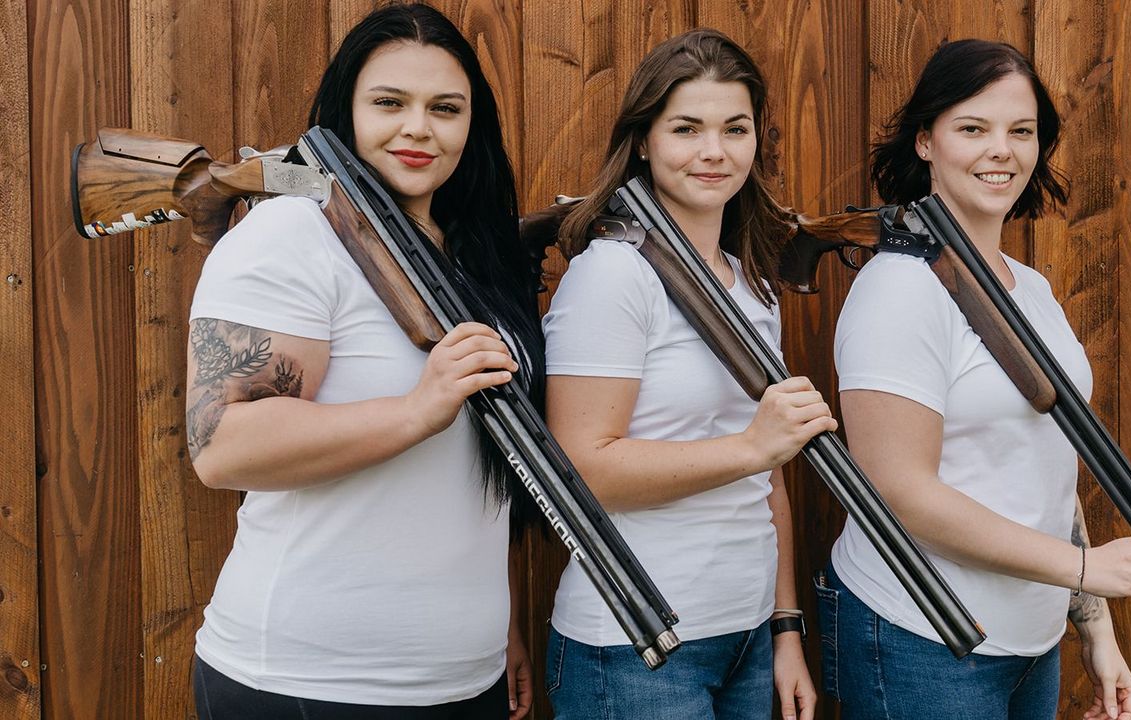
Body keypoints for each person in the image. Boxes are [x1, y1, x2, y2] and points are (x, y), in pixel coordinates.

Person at [818, 39, 1131, 720]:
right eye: (972, 128)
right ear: (925, 142)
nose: (1001, 149)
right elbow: (899, 490)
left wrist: (1093, 625)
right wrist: (1088, 572)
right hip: (923, 636)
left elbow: (1045, 465)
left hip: (1031, 641)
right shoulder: (899, 290)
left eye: (1021, 131)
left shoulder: (1029, 290)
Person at [183, 4, 541, 718]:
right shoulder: (290, 233)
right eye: (389, 103)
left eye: (445, 107)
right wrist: (416, 409)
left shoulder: (472, 255)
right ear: (346, 111)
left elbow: (469, 472)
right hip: (308, 685)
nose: (418, 128)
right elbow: (221, 445)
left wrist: (496, 625)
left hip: (462, 680)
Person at [542, 28, 833, 720]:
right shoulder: (614, 274)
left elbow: (770, 474)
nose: (714, 151)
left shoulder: (750, 283)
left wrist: (784, 626)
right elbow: (582, 468)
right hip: (637, 645)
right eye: (687, 128)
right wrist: (752, 446)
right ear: (643, 141)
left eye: (735, 128)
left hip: (745, 635)